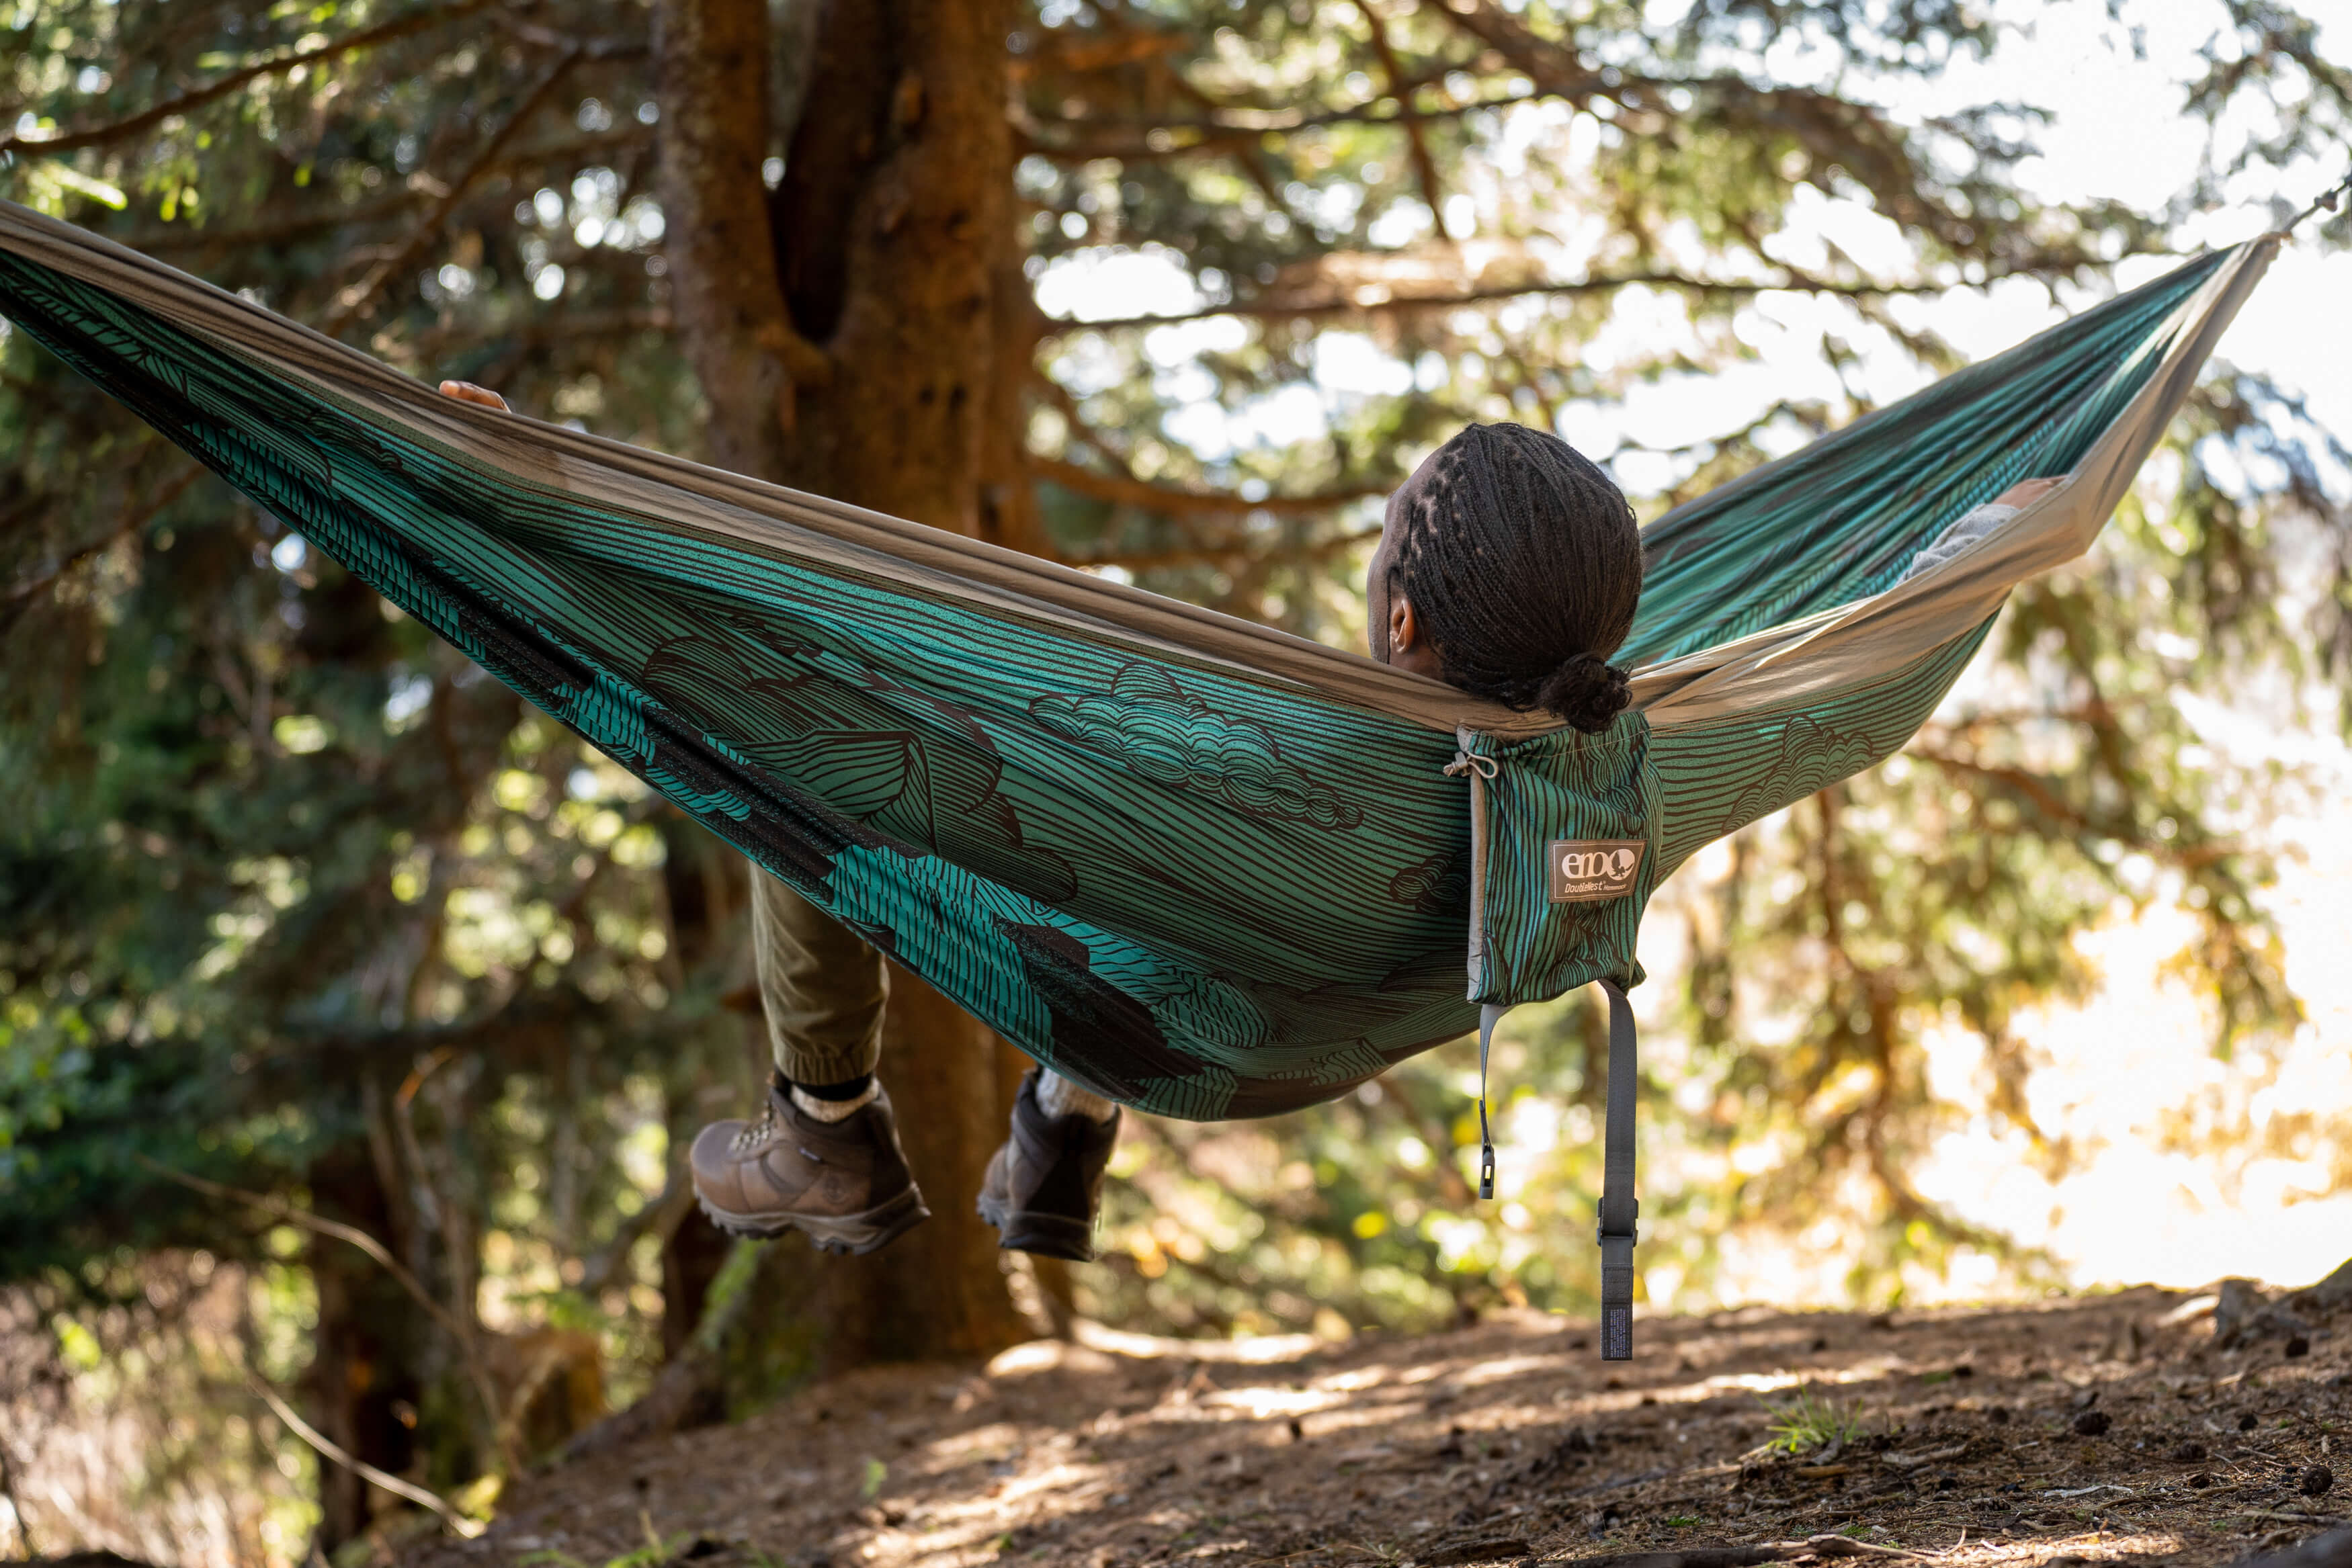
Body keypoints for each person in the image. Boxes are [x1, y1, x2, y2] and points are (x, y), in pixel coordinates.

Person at [437, 382, 2057, 1261]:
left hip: (1199, 1015)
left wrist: (522, 486)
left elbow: (860, 713)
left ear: (1405, 631)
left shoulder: (1284, 759)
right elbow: (1880, 655)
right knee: (1182, 879)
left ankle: (826, 1128)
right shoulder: (1659, 750)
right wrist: (2019, 501)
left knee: (798, 751)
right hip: (1327, 1024)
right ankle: (1061, 1128)